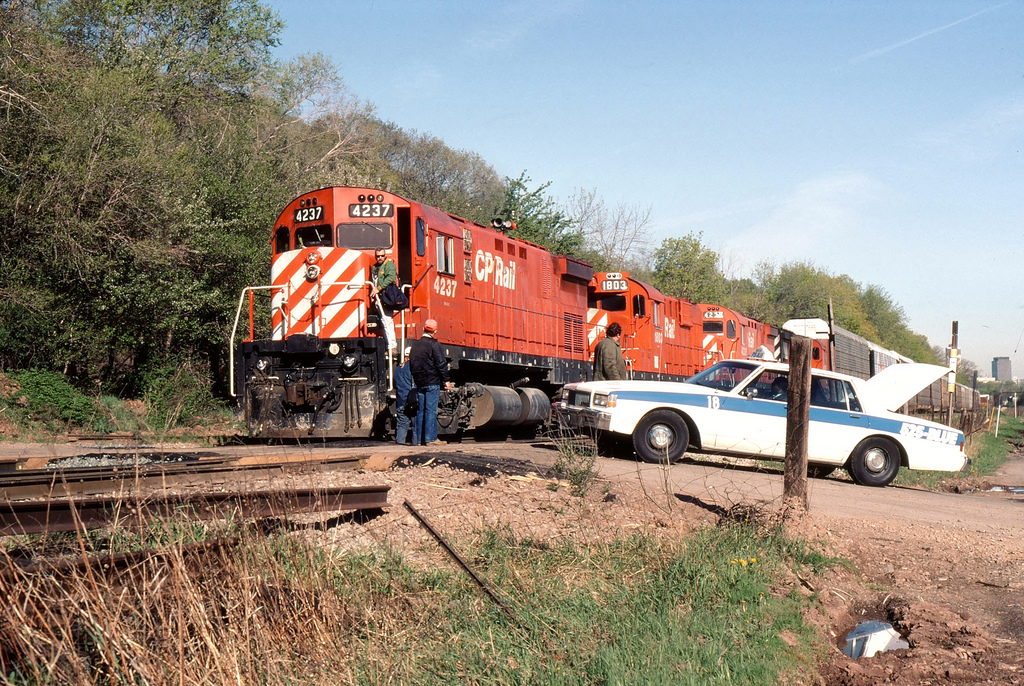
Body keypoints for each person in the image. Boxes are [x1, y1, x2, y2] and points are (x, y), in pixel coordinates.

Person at [410, 318, 452, 446]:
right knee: (431, 410)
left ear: (423, 329)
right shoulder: (435, 345)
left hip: (420, 383)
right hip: (432, 382)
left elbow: (412, 364)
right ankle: (431, 439)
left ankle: (419, 440)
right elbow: (441, 363)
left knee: (420, 410)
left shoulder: (415, 346)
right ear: (435, 331)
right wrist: (446, 380)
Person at [370, 248, 397, 352]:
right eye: (378, 256)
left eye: (382, 255)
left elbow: (390, 278)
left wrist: (379, 288)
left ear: (385, 255)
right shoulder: (374, 267)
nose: (380, 258)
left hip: (387, 296)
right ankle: (389, 344)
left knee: (387, 320)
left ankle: (392, 346)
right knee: (383, 320)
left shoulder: (389, 264)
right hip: (378, 297)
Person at [394, 347, 416, 445]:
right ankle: (416, 445)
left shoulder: (398, 369)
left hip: (401, 400)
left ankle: (400, 444)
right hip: (412, 401)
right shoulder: (413, 368)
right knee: (416, 426)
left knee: (402, 424)